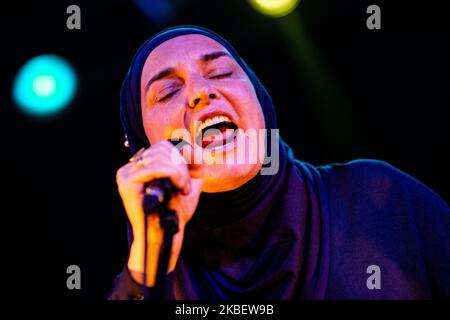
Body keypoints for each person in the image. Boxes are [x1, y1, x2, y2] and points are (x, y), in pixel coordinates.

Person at [108, 26, 449, 300]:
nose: (199, 92)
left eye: (222, 72)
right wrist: (149, 259)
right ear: (144, 149)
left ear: (261, 104)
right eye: (168, 92)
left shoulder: (378, 197)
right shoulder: (152, 271)